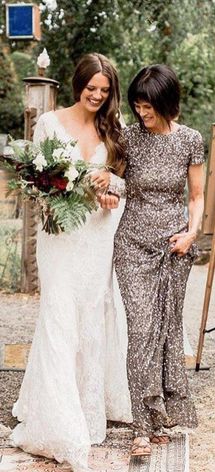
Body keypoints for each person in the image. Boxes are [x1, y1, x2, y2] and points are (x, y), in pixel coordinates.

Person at [10, 53, 132, 472]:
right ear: (78, 83)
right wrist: (63, 188)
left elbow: (122, 184)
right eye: (91, 88)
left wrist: (111, 189)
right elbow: (36, 186)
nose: (97, 96)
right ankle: (57, 417)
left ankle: (86, 407)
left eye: (104, 90)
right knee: (59, 316)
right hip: (61, 239)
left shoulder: (112, 130)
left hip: (97, 236)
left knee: (90, 317)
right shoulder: (49, 124)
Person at [112, 64, 205, 455]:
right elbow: (113, 180)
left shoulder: (191, 140)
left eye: (149, 106)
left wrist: (191, 234)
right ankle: (139, 426)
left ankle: (159, 416)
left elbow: (197, 197)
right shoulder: (128, 138)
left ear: (167, 103)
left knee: (166, 331)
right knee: (141, 330)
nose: (142, 113)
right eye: (137, 105)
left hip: (174, 248)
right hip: (132, 243)